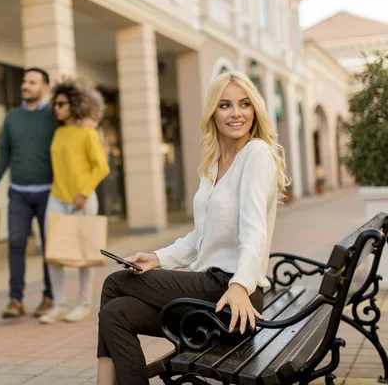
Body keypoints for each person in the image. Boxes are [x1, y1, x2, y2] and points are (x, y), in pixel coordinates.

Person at [96, 71, 290, 385]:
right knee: (115, 312)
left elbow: (255, 231)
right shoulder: (213, 164)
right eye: (225, 105)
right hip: (208, 292)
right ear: (213, 112)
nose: (236, 113)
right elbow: (198, 238)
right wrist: (156, 258)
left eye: (244, 104)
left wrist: (240, 285)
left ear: (255, 111)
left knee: (114, 283)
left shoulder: (256, 154)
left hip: (230, 295)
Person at [0, 67, 57, 319]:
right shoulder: (12, 118)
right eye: (24, 81)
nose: (25, 85)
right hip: (18, 193)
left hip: (49, 193)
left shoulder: (53, 116)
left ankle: (50, 296)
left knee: (50, 246)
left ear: (44, 88)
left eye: (32, 82)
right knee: (15, 244)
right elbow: (3, 152)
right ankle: (16, 300)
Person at [39, 78, 110, 324]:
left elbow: (101, 167)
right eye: (55, 104)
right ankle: (58, 303)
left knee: (84, 251)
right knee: (54, 251)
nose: (57, 108)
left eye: (62, 103)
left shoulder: (87, 133)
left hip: (83, 199)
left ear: (75, 105)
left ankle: (83, 303)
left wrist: (83, 192)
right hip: (57, 197)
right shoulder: (58, 132)